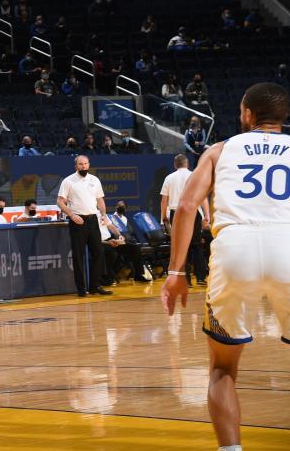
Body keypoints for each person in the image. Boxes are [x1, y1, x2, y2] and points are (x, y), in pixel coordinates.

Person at [162, 82, 290, 451]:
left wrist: (176, 273)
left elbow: (187, 207)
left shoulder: (220, 150)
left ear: (248, 114)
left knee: (222, 369)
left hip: (235, 248)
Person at [57, 156, 113, 297]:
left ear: (89, 164)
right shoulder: (68, 181)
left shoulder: (95, 180)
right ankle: (81, 289)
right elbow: (60, 202)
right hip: (77, 221)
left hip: (93, 220)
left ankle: (94, 286)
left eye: (85, 163)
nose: (83, 166)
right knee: (78, 256)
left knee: (98, 252)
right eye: (80, 164)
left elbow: (100, 200)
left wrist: (104, 214)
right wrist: (71, 215)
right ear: (76, 166)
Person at [160, 154, 211, 286]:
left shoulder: (169, 178)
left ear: (175, 165)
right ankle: (201, 278)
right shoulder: (194, 175)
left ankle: (185, 280)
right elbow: (203, 197)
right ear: (187, 163)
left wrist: (163, 217)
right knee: (197, 245)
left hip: (176, 212)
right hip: (193, 211)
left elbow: (164, 200)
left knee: (181, 247)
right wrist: (207, 215)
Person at [107, 201, 151, 283]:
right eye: (119, 205)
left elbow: (129, 233)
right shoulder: (111, 218)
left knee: (136, 249)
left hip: (126, 242)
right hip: (116, 243)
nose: (120, 207)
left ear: (126, 208)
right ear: (116, 207)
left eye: (123, 206)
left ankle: (138, 275)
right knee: (135, 248)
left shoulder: (125, 219)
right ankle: (136, 274)